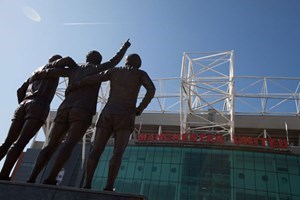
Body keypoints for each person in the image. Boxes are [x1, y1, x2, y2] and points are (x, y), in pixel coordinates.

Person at [26, 39, 131, 184]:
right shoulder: (97, 69)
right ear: (98, 61)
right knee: (69, 144)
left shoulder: (73, 70)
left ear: (87, 58)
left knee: (51, 144)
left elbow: (51, 72)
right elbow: (114, 61)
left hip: (64, 108)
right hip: (83, 110)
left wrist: (37, 74)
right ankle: (50, 178)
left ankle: (32, 178)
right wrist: (124, 47)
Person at [69, 53, 155, 191]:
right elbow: (151, 90)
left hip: (107, 113)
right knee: (118, 152)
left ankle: (87, 184)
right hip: (126, 115)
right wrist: (140, 108)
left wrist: (78, 83)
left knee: (96, 150)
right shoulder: (140, 74)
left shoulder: (115, 70)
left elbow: (95, 78)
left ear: (126, 61)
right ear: (138, 64)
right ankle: (109, 186)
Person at [0, 55, 76, 180]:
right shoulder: (53, 68)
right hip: (39, 104)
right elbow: (67, 60)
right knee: (21, 142)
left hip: (23, 104)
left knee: (8, 142)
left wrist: (23, 103)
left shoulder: (35, 72)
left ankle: (4, 172)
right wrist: (77, 69)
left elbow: (20, 90)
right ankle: (3, 174)